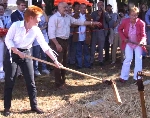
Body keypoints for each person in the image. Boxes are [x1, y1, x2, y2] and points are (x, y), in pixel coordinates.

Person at [3, 5, 61, 116]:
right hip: (12, 54)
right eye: (38, 18)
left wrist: (55, 61)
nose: (40, 20)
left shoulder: (36, 30)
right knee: (10, 81)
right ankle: (7, 108)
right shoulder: (16, 25)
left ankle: (34, 106)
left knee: (31, 81)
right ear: (30, 18)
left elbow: (45, 46)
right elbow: (8, 40)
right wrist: (17, 52)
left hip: (26, 54)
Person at [48, 2, 100, 89]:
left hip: (65, 41)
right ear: (59, 7)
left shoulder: (68, 17)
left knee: (64, 62)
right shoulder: (54, 18)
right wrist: (57, 44)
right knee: (57, 63)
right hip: (57, 41)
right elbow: (51, 34)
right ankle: (58, 83)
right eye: (65, 7)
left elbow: (79, 22)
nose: (67, 9)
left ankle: (63, 81)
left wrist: (92, 23)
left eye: (67, 8)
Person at [118, 7, 146, 83]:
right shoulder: (125, 21)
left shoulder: (141, 23)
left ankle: (138, 77)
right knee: (128, 58)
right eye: (132, 15)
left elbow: (143, 35)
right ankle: (123, 77)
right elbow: (119, 29)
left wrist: (142, 42)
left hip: (138, 44)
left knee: (138, 59)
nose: (134, 17)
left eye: (135, 15)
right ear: (129, 15)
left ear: (137, 15)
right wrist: (124, 38)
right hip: (128, 43)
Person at [90, 1, 111, 66]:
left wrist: (104, 12)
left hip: (102, 31)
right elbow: (91, 21)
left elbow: (109, 19)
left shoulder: (105, 13)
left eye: (102, 5)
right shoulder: (94, 13)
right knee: (93, 46)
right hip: (95, 31)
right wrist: (98, 17)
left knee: (101, 47)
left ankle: (100, 60)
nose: (100, 6)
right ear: (97, 6)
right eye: (99, 5)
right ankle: (91, 61)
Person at [72, 3, 92, 69]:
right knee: (78, 52)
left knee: (86, 51)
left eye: (84, 8)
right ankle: (79, 65)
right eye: (82, 8)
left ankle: (87, 64)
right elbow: (72, 25)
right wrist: (79, 23)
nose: (83, 9)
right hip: (78, 37)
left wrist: (87, 23)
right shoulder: (75, 16)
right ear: (79, 8)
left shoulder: (88, 16)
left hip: (86, 37)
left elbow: (92, 26)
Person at [32, 2, 50, 76]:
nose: (45, 7)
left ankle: (44, 68)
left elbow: (47, 20)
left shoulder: (43, 14)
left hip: (44, 37)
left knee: (44, 53)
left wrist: (44, 12)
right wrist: (43, 27)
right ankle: (35, 69)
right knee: (36, 54)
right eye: (43, 6)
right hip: (36, 38)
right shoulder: (34, 15)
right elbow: (35, 27)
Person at [0, 3, 11, 82]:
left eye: (2, 9)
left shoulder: (8, 17)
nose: (1, 10)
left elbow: (9, 28)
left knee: (2, 57)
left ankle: (2, 74)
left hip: (4, 40)